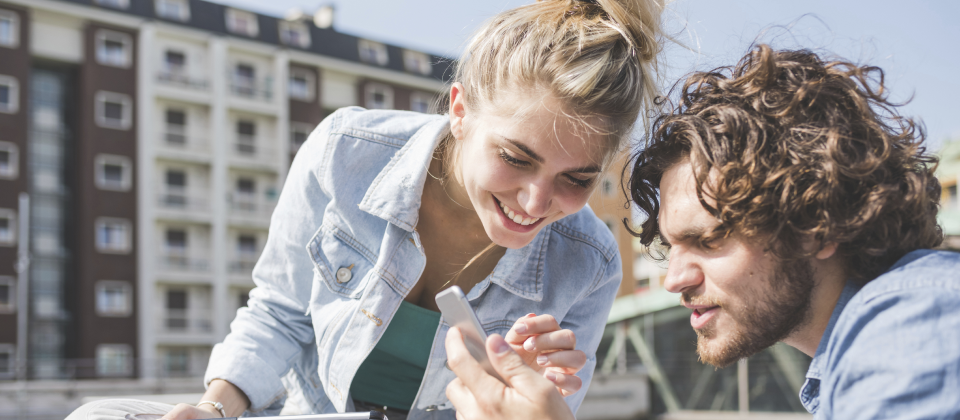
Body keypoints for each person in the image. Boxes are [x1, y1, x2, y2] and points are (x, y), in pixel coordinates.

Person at [66, 1, 665, 420]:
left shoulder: (589, 266)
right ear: (459, 110)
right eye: (515, 156)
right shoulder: (346, 152)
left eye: (577, 179)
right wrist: (216, 406)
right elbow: (278, 312)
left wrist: (526, 399)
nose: (536, 203)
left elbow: (550, 409)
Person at [445, 44, 960, 419]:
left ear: (817, 224)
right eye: (671, 247)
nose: (674, 279)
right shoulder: (858, 350)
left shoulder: (911, 324)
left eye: (709, 241)